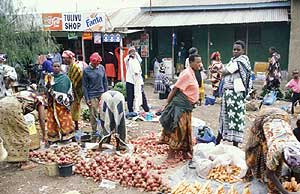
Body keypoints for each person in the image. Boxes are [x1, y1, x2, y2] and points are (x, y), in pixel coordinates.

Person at [245, 108, 300, 194]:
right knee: (255, 149)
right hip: (264, 118)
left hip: (283, 117)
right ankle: (250, 171)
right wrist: (284, 192)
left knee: (275, 164)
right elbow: (270, 173)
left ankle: (272, 181)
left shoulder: (297, 147)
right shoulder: (275, 149)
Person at [159, 54, 200, 162]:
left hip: (187, 107)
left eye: (200, 62)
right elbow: (175, 89)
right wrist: (167, 103)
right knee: (178, 129)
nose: (199, 64)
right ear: (191, 63)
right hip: (180, 106)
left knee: (186, 130)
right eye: (197, 62)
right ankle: (171, 155)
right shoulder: (186, 74)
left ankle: (185, 152)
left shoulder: (193, 73)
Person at [0, 84, 46, 168]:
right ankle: (24, 163)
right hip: (12, 107)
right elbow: (42, 119)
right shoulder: (40, 99)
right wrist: (44, 135)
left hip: (2, 103)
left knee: (7, 132)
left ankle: (12, 158)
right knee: (23, 133)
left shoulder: (26, 93)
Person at [216, 40, 252, 147]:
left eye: (238, 50)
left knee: (234, 119)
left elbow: (225, 72)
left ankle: (234, 145)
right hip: (228, 94)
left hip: (235, 94)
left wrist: (219, 70)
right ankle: (218, 142)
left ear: (243, 51)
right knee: (224, 118)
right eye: (234, 49)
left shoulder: (241, 62)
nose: (235, 51)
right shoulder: (234, 61)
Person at [46, 63, 74, 143]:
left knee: (64, 119)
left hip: (62, 104)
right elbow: (46, 88)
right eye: (54, 66)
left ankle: (66, 137)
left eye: (58, 66)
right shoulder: (49, 77)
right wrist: (48, 85)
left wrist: (66, 99)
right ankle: (54, 137)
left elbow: (69, 89)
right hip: (52, 102)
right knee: (52, 119)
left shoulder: (65, 78)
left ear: (60, 67)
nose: (56, 68)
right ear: (52, 67)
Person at [83, 52, 108, 138]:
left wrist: (106, 93)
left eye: (99, 63)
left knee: (103, 112)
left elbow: (105, 81)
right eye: (97, 63)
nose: (98, 64)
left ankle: (103, 129)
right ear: (92, 63)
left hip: (101, 93)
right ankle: (94, 130)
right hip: (92, 94)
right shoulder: (86, 71)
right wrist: (87, 98)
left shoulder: (101, 68)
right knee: (93, 113)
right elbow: (85, 86)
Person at [63, 50, 83, 131]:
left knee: (75, 109)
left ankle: (76, 127)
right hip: (72, 91)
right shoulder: (70, 66)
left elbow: (76, 81)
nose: (64, 60)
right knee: (72, 109)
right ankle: (72, 125)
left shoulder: (75, 66)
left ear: (69, 58)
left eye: (65, 58)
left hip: (76, 91)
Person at [125, 47, 149, 113]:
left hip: (138, 81)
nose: (132, 53)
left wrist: (135, 52)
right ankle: (131, 110)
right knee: (130, 96)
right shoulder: (127, 60)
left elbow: (140, 59)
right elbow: (126, 58)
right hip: (130, 81)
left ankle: (146, 109)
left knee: (141, 95)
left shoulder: (137, 60)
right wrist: (130, 55)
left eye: (134, 52)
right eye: (131, 52)